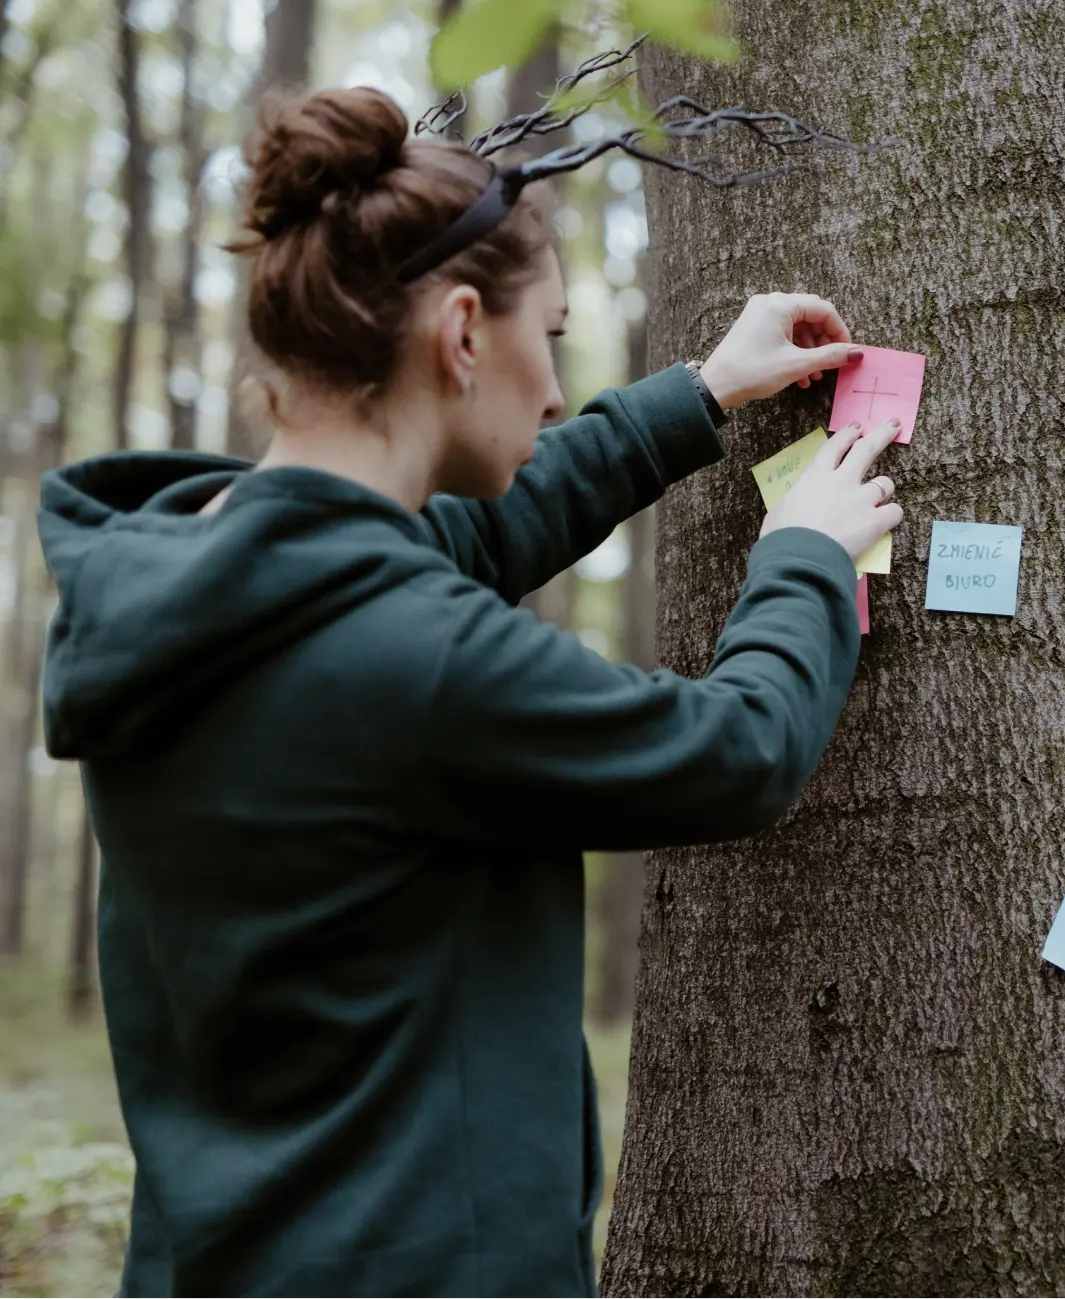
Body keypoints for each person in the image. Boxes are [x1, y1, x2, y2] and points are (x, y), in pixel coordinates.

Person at [36, 85, 899, 1298]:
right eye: (547, 336)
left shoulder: (192, 587)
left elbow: (464, 535)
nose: (553, 390)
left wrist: (700, 396)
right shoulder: (406, 653)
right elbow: (736, 748)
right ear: (458, 333)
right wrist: (806, 555)